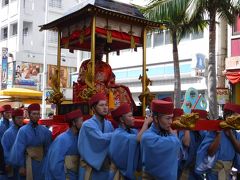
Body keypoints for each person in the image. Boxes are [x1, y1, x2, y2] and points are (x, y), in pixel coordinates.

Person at [195, 103, 240, 180]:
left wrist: (231, 135)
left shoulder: (235, 134)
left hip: (228, 173)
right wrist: (218, 135)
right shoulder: (214, 130)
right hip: (214, 174)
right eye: (236, 117)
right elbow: (210, 152)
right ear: (228, 116)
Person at [109, 103, 152, 179]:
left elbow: (143, 137)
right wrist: (145, 123)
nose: (133, 118)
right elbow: (137, 139)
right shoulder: (117, 134)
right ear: (122, 119)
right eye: (130, 116)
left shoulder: (133, 131)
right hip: (119, 175)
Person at [141, 99, 181, 179]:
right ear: (156, 119)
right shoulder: (147, 137)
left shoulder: (167, 133)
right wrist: (174, 136)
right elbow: (175, 143)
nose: (171, 122)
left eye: (171, 118)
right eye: (168, 118)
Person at [10, 103, 52, 180]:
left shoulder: (45, 131)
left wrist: (47, 164)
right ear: (29, 115)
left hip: (42, 164)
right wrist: (21, 166)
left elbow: (48, 150)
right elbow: (19, 150)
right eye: (34, 114)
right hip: (27, 163)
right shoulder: (23, 131)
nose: (36, 116)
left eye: (38, 114)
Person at [78, 93, 114, 180]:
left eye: (106, 105)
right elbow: (101, 138)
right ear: (93, 108)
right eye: (101, 105)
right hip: (90, 169)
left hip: (105, 168)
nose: (105, 107)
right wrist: (118, 134)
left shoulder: (108, 124)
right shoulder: (87, 125)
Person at [44, 109, 83, 180]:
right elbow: (55, 165)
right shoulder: (62, 139)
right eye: (81, 120)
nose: (83, 123)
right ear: (74, 122)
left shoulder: (79, 137)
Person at [178, 109, 208, 180]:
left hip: (198, 171)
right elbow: (186, 143)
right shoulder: (184, 130)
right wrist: (187, 127)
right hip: (184, 170)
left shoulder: (204, 133)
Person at [1, 108, 24, 180]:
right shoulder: (8, 133)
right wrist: (8, 162)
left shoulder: (24, 131)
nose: (21, 120)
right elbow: (5, 149)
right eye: (18, 118)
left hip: (23, 164)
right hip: (12, 164)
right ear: (13, 119)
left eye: (22, 118)